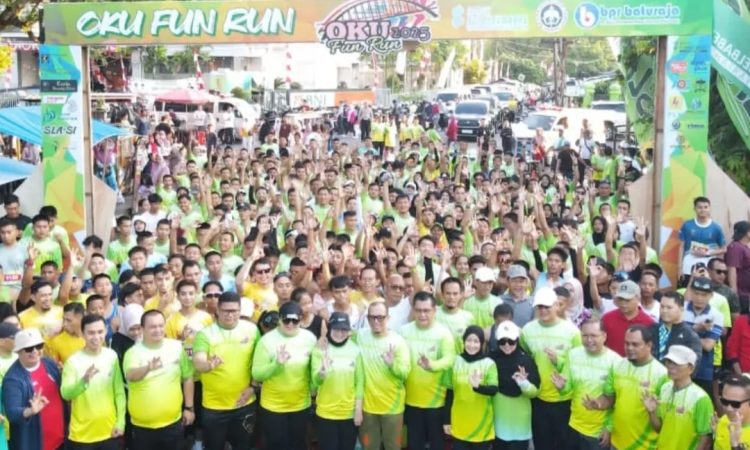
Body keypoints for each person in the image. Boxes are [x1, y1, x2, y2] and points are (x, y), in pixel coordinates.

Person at [583, 325, 668, 450]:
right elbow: (609, 399)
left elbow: (664, 423)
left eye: (635, 344)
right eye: (627, 343)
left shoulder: (662, 375)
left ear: (649, 345)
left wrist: (652, 412)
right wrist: (598, 404)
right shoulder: (618, 365)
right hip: (616, 443)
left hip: (645, 446)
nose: (629, 348)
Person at [193, 292, 260, 450]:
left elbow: (258, 362)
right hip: (214, 408)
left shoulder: (252, 330)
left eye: (234, 311)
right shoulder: (205, 334)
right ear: (217, 310)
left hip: (244, 403)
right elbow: (198, 363)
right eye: (225, 311)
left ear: (240, 310)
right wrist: (209, 365)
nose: (230, 315)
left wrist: (253, 387)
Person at [123, 310, 195, 450]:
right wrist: (147, 368)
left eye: (161, 326)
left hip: (173, 423)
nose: (158, 330)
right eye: (152, 327)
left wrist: (189, 408)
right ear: (142, 329)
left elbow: (187, 377)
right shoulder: (132, 353)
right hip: (142, 427)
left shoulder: (176, 347)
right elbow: (131, 376)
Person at [520, 287, 581, 450]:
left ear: (556, 305)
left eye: (547, 306)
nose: (543, 310)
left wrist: (559, 361)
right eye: (539, 307)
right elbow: (525, 353)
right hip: (538, 398)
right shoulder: (527, 330)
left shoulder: (572, 332)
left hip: (564, 399)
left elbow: (578, 362)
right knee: (542, 444)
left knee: (564, 445)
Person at [251, 301, 316, 450]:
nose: (290, 324)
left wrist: (314, 390)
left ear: (301, 319)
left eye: (295, 320)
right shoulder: (266, 340)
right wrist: (276, 364)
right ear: (279, 319)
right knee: (277, 446)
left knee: (298, 445)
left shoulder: (310, 338)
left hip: (301, 404)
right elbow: (257, 374)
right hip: (273, 407)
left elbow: (313, 370)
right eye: (286, 320)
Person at [551, 318, 621, 450]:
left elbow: (618, 400)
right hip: (574, 425)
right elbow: (567, 388)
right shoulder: (573, 355)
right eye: (585, 335)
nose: (589, 340)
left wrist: (609, 427)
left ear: (604, 336)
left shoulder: (615, 362)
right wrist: (561, 387)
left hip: (598, 432)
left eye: (594, 336)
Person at [61, 314, 126, 450]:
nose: (96, 337)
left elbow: (119, 392)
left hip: (110, 432)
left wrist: (121, 422)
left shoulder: (111, 356)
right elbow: (66, 394)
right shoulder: (73, 362)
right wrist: (83, 381)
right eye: (91, 333)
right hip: (82, 436)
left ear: (106, 331)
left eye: (100, 332)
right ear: (83, 334)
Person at [400, 291, 455, 450]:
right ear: (413, 310)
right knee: (414, 445)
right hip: (410, 401)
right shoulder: (404, 331)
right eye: (418, 310)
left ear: (434, 310)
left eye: (426, 310)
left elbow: (449, 359)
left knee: (436, 445)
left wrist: (432, 365)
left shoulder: (443, 334)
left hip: (436, 403)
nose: (422, 314)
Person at [357, 301, 411, 450]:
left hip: (392, 408)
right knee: (369, 447)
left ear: (388, 318)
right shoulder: (360, 336)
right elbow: (340, 337)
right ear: (367, 319)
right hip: (368, 408)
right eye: (372, 317)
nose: (376, 321)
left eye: (380, 317)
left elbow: (405, 373)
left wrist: (392, 365)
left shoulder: (398, 342)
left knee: (393, 446)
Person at [2, 328, 65, 450]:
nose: (35, 351)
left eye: (39, 346)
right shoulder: (13, 379)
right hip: (34, 445)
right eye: (29, 348)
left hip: (60, 441)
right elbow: (12, 413)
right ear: (18, 351)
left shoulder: (49, 364)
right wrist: (30, 411)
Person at [641, 344, 713, 450]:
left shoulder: (701, 398)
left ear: (691, 368)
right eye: (669, 362)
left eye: (676, 363)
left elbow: (705, 438)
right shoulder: (664, 388)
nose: (670, 367)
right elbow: (659, 429)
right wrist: (651, 412)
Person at [311, 312, 363, 450]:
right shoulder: (319, 349)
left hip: (349, 413)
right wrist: (321, 374)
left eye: (344, 329)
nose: (340, 333)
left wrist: (358, 410)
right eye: (336, 329)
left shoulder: (355, 349)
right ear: (329, 328)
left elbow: (359, 382)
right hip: (325, 413)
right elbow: (315, 381)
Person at [443, 325, 498, 450]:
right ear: (463, 341)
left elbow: (494, 390)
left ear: (482, 343)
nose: (472, 345)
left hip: (481, 424)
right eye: (469, 340)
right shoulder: (455, 362)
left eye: (476, 341)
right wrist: (446, 420)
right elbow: (449, 394)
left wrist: (478, 387)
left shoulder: (489, 363)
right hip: (459, 422)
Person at [491, 320, 539, 450]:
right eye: (502, 341)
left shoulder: (526, 361)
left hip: (520, 424)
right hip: (498, 423)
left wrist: (523, 383)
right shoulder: (491, 359)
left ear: (517, 340)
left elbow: (534, 392)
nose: (507, 345)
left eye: (511, 341)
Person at [678, 197, 726, 283]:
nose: (703, 210)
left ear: (709, 208)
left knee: (706, 290)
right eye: (700, 207)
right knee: (686, 289)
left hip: (708, 268)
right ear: (695, 209)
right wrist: (679, 268)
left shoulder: (716, 227)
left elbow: (724, 249)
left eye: (705, 207)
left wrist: (708, 253)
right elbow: (681, 247)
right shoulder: (687, 225)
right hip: (688, 266)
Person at [601, 280, 655, 356]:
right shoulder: (607, 318)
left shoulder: (649, 323)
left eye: (627, 300)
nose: (623, 303)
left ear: (638, 299)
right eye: (620, 299)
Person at [650, 291, 702, 364]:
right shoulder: (652, 329)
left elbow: (694, 362)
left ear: (681, 309)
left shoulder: (689, 335)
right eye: (662, 306)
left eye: (669, 307)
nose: (664, 310)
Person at [713, 374, 750, 449]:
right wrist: (715, 434)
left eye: (735, 404)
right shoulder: (724, 421)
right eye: (724, 401)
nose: (728, 408)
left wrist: (735, 446)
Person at [726, 220, 750, 313]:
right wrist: (734, 294)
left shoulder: (744, 247)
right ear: (747, 233)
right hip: (741, 295)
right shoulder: (736, 247)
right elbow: (732, 269)